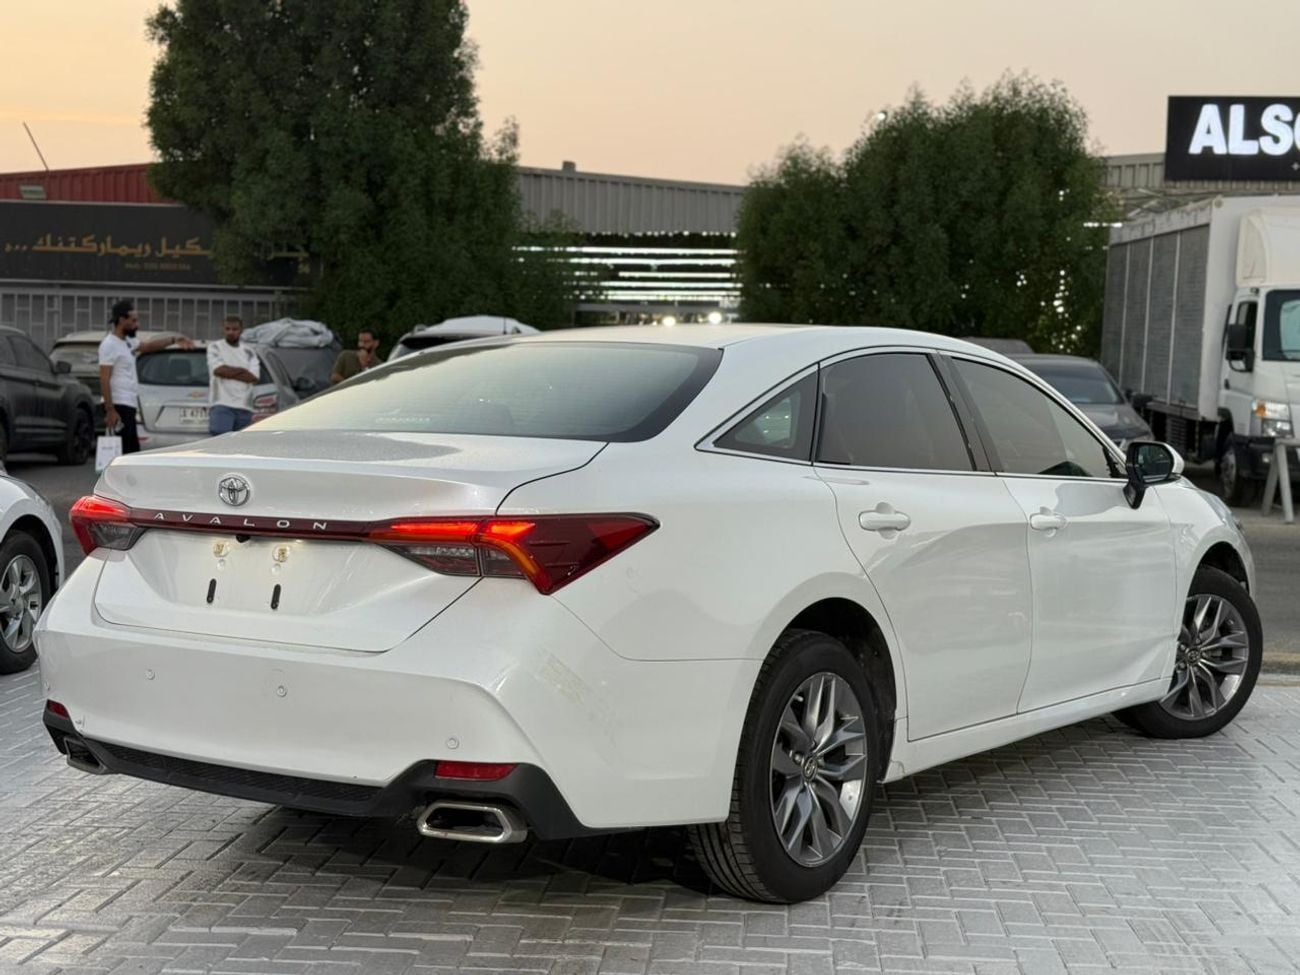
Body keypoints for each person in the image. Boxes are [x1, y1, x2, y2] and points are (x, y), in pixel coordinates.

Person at [98, 300, 194, 454]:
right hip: (118, 404)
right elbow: (104, 378)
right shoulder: (109, 344)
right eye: (133, 320)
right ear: (121, 320)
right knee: (123, 451)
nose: (137, 325)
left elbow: (148, 346)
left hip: (129, 404)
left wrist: (174, 340)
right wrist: (110, 410)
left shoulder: (127, 342)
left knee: (131, 450)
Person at [207, 315, 262, 434]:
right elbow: (219, 371)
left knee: (240, 443)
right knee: (220, 441)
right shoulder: (215, 347)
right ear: (223, 330)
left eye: (234, 329)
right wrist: (243, 371)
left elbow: (253, 377)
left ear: (241, 330)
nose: (231, 332)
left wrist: (228, 371)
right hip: (221, 404)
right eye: (227, 329)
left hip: (245, 406)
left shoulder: (249, 352)